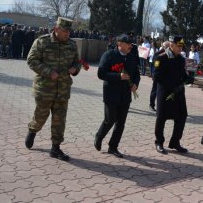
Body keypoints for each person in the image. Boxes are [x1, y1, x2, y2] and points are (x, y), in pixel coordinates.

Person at [24, 17, 81, 161]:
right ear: (56, 29)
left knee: (59, 120)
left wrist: (75, 69)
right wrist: (48, 72)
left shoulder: (72, 45)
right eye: (65, 31)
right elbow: (31, 61)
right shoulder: (42, 42)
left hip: (63, 90)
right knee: (40, 117)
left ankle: (55, 148)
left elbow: (77, 61)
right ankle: (33, 130)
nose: (68, 33)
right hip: (45, 89)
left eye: (69, 31)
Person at [94, 34, 140, 158]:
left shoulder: (132, 57)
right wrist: (117, 76)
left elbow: (136, 73)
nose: (130, 46)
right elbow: (101, 73)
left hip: (125, 95)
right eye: (127, 43)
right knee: (110, 119)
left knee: (121, 123)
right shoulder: (109, 55)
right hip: (111, 93)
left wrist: (135, 84)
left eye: (131, 43)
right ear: (119, 44)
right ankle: (99, 136)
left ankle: (113, 147)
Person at [153, 36, 193, 154]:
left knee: (182, 116)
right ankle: (159, 142)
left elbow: (181, 74)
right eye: (178, 46)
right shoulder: (161, 58)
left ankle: (175, 142)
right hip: (165, 93)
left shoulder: (180, 59)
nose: (181, 48)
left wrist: (188, 78)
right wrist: (171, 86)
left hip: (178, 93)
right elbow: (157, 76)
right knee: (161, 118)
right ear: (171, 45)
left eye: (182, 46)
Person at [149, 41, 171, 112]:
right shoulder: (158, 54)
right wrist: (154, 75)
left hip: (166, 77)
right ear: (165, 47)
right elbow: (155, 65)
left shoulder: (170, 54)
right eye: (169, 47)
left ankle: (163, 107)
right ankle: (151, 105)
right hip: (158, 76)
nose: (170, 48)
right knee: (155, 91)